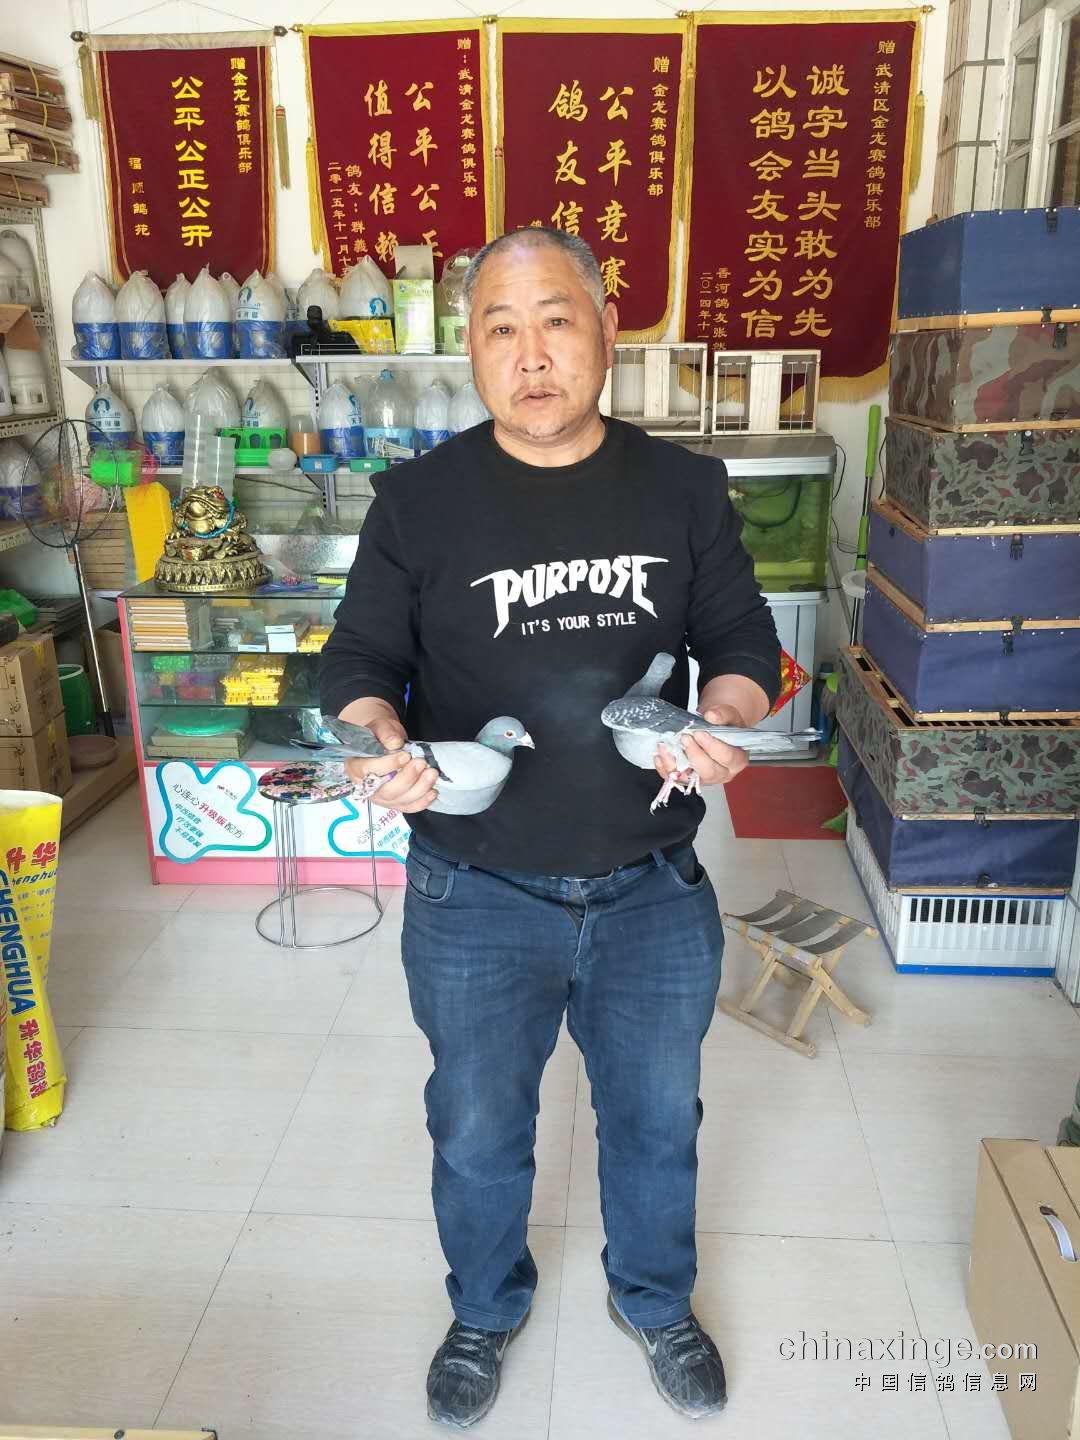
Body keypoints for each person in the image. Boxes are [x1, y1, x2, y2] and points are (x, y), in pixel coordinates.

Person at [320, 227, 781, 1428]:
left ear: (607, 330)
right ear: (472, 350)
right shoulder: (417, 500)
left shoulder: (684, 489)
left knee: (656, 1122)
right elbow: (358, 662)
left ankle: (654, 1300)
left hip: (651, 884)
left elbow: (743, 642)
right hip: (473, 890)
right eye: (500, 328)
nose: (530, 356)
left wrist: (725, 716)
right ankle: (484, 1310)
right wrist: (380, 740)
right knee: (476, 1130)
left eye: (556, 321)